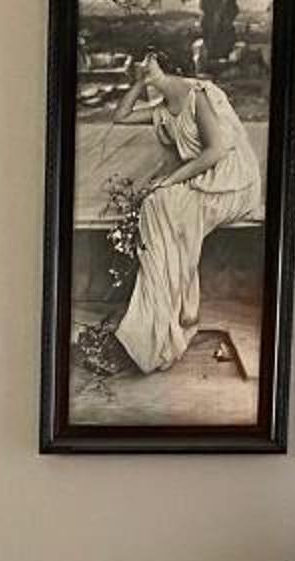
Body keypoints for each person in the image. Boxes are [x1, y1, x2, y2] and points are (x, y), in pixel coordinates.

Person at [107, 47, 261, 375]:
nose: (139, 63)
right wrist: (138, 83)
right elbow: (120, 116)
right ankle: (158, 325)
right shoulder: (162, 109)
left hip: (231, 181)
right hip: (200, 179)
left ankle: (156, 328)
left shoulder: (197, 94)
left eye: (146, 58)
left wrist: (169, 181)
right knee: (155, 208)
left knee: (161, 205)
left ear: (164, 62)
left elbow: (217, 151)